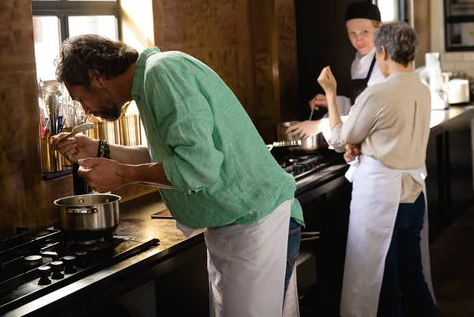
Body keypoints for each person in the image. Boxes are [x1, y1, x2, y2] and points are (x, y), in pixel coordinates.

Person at [51, 34, 305, 317]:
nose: (87, 110)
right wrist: (101, 148)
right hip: (240, 224)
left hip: (256, 224)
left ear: (96, 76)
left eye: (81, 99)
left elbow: (196, 166)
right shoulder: (150, 81)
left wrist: (124, 176)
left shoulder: (162, 73)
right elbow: (170, 157)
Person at [317, 22, 436, 317]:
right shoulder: (423, 90)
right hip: (413, 197)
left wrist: (331, 94)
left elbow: (338, 139)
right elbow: (385, 134)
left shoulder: (378, 93)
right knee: (412, 276)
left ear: (381, 51)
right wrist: (363, 144)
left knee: (382, 281)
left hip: (382, 199)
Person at [287, 2, 385, 139]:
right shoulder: (356, 63)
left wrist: (319, 125)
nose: (358, 40)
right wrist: (332, 101)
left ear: (379, 29)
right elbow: (356, 106)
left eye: (365, 32)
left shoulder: (384, 64)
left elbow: (369, 118)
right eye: (352, 34)